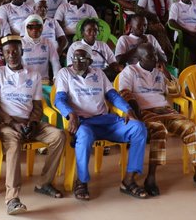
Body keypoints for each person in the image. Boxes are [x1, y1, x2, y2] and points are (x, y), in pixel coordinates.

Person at [53, 47, 151, 201]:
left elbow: (112, 95)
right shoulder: (65, 73)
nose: (77, 63)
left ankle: (129, 180)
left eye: (82, 59)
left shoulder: (98, 73)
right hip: (83, 123)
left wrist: (128, 110)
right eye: (74, 59)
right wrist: (71, 114)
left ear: (90, 61)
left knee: (139, 128)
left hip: (106, 120)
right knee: (84, 135)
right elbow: (59, 99)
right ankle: (81, 181)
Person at [0, 35, 66, 215]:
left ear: (22, 52)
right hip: (8, 123)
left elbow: (38, 106)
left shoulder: (34, 75)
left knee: (59, 135)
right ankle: (12, 198)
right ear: (3, 55)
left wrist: (33, 122)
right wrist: (13, 123)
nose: (11, 55)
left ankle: (44, 183)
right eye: (7, 52)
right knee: (13, 146)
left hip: (30, 122)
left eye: (15, 51)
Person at [118, 44, 196, 194]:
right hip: (145, 111)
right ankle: (151, 176)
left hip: (166, 110)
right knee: (158, 129)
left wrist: (166, 74)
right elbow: (124, 93)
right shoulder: (130, 71)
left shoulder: (159, 71)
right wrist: (136, 113)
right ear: (139, 58)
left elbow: (175, 93)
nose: (155, 58)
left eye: (155, 54)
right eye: (150, 56)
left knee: (191, 127)